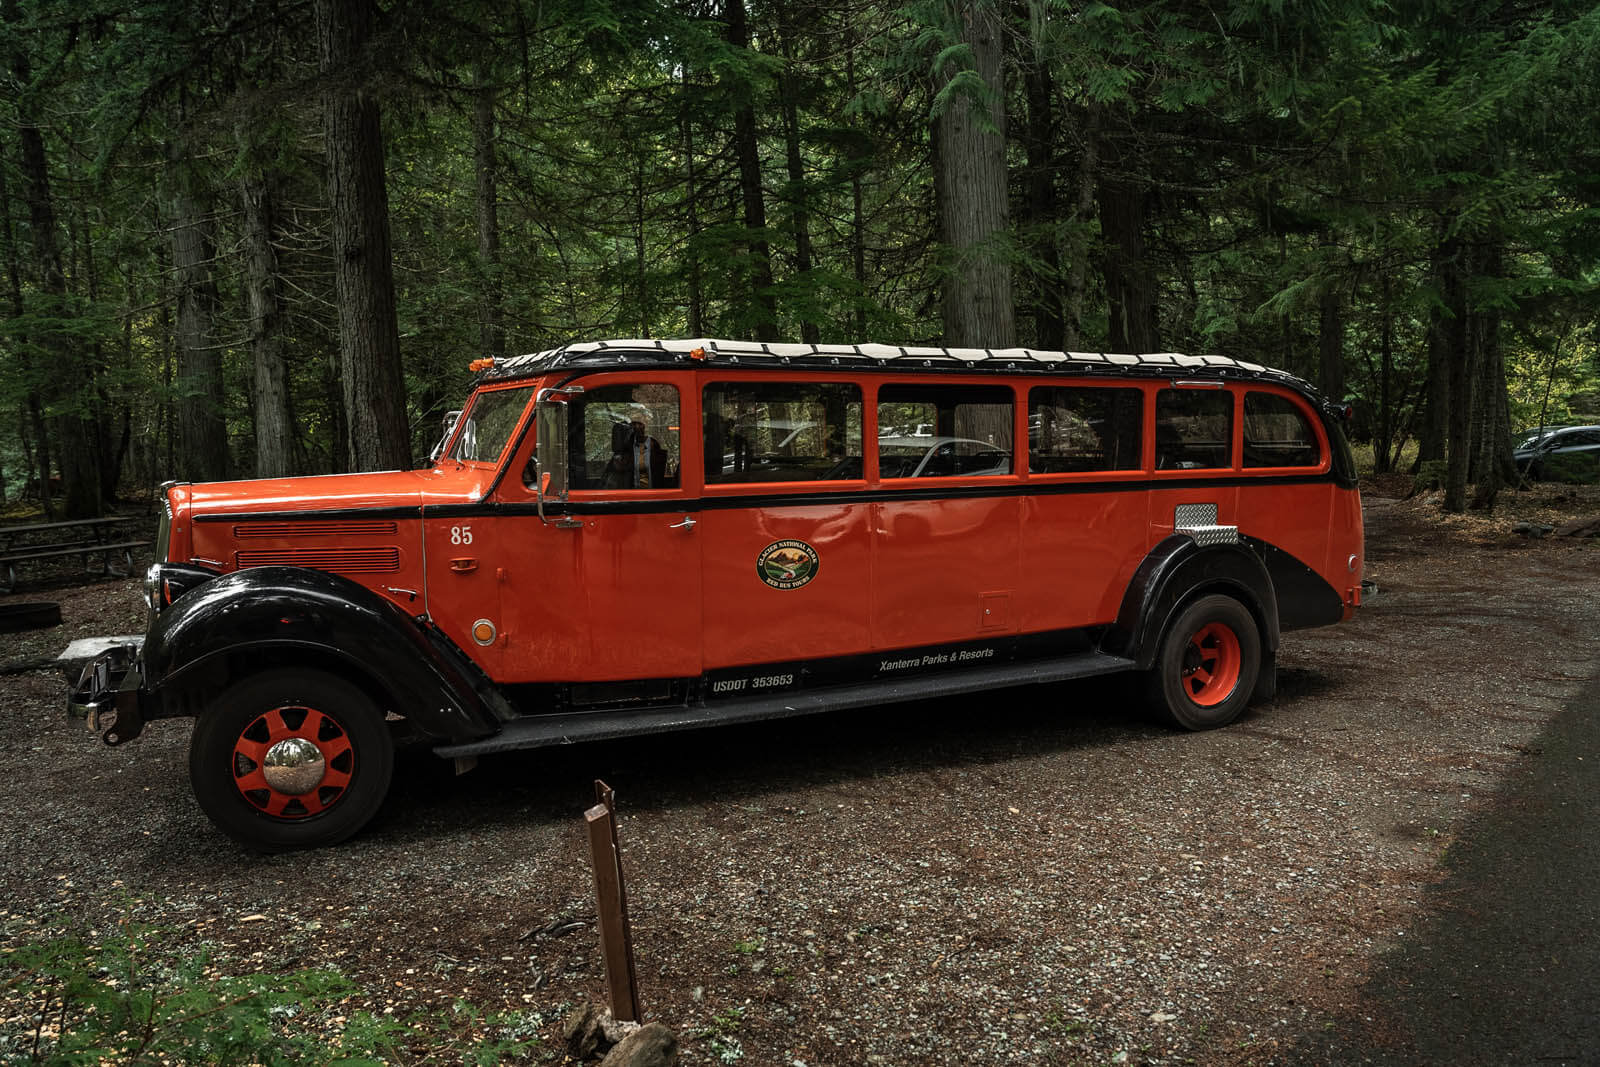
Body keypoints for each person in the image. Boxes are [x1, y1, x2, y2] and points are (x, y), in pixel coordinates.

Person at [604, 406, 671, 489]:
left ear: (645, 426)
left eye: (640, 424)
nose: (637, 427)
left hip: (650, 491)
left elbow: (658, 470)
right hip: (631, 490)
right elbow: (621, 468)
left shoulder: (652, 444)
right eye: (634, 424)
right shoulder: (627, 445)